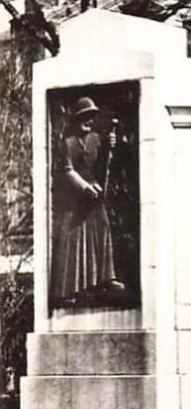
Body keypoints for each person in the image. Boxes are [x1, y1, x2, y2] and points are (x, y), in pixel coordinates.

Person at [50, 96, 123, 305]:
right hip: (74, 197)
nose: (89, 121)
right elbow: (67, 170)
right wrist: (84, 187)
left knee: (103, 226)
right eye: (84, 117)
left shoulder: (96, 139)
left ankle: (106, 278)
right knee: (72, 239)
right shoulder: (67, 143)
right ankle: (67, 291)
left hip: (94, 193)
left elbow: (101, 166)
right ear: (76, 119)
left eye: (91, 117)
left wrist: (110, 148)